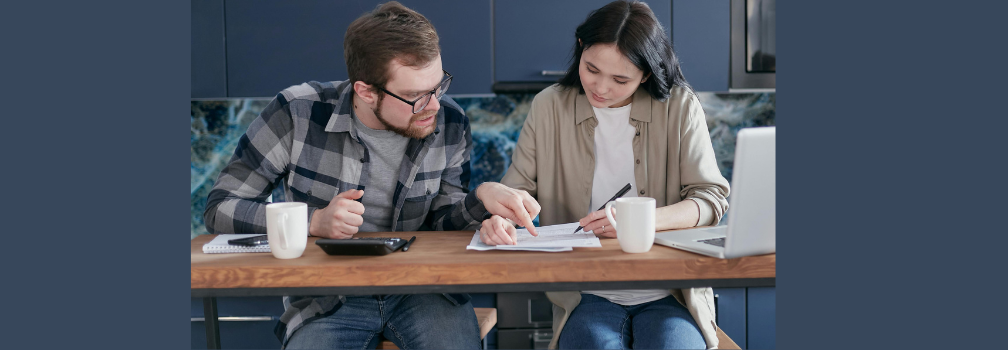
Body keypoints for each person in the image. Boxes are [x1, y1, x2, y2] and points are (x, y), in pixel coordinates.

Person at [203, 2, 539, 349]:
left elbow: (443, 222)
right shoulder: (296, 113)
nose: (435, 106)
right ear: (365, 91)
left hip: (424, 288)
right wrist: (313, 221)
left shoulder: (450, 122)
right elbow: (221, 208)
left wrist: (483, 195)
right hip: (327, 296)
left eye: (438, 87)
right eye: (415, 97)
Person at [477, 1, 730, 349]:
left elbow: (710, 199)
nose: (601, 88)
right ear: (580, 48)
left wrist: (640, 222)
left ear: (647, 73)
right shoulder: (549, 106)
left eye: (620, 79)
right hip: (585, 292)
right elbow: (515, 190)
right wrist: (501, 217)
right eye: (591, 68)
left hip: (670, 290)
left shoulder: (680, 107)